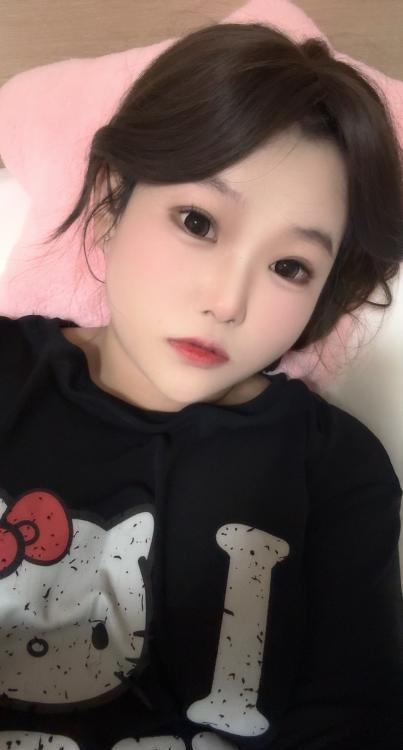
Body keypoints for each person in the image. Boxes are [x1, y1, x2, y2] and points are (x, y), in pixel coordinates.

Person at [0, 21, 402, 750]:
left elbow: (353, 722)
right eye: (197, 221)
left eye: (290, 267)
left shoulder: (338, 472)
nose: (227, 302)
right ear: (112, 200)